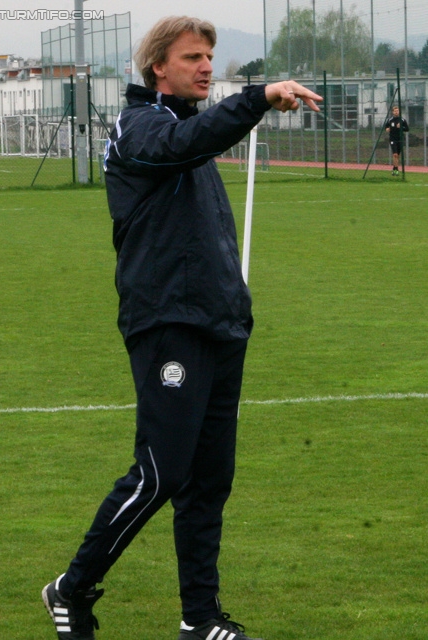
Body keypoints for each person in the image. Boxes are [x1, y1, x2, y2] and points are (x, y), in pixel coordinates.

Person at [42, 15, 322, 640]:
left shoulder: (191, 132)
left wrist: (237, 308)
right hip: (168, 322)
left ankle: (200, 618)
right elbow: (176, 147)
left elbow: (203, 205)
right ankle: (71, 587)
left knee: (208, 483)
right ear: (158, 68)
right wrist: (258, 96)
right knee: (161, 471)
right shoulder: (139, 128)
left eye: (209, 56)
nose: (205, 66)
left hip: (221, 326)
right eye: (193, 56)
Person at [385, 105, 409, 175]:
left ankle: (394, 169)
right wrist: (387, 129)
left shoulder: (402, 120)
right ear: (393, 112)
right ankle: (396, 170)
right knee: (395, 154)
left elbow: (407, 129)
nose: (396, 112)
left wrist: (401, 127)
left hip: (400, 139)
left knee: (397, 155)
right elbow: (386, 126)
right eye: (395, 111)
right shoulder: (390, 120)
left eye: (397, 111)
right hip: (392, 139)